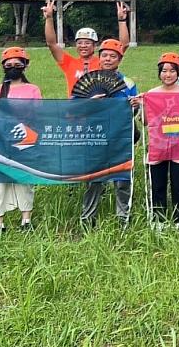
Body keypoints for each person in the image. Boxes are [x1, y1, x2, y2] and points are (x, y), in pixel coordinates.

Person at [0, 47, 42, 235]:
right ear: (3, 66)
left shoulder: (33, 89)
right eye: (9, 64)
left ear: (25, 66)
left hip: (24, 141)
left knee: (24, 179)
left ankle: (26, 220)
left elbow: (39, 113)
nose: (13, 67)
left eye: (18, 64)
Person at [79, 39, 139, 227]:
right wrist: (90, 103)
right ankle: (88, 219)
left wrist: (134, 106)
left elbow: (134, 112)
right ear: (99, 57)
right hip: (95, 137)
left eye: (113, 56)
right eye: (104, 55)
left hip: (120, 137)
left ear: (119, 59)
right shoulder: (88, 80)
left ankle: (123, 219)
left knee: (122, 179)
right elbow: (74, 109)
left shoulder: (128, 82)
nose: (108, 59)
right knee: (94, 179)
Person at [41, 0, 130, 96]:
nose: (83, 46)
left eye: (87, 43)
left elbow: (123, 45)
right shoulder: (69, 63)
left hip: (99, 106)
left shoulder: (103, 62)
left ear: (95, 45)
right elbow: (51, 44)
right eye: (79, 43)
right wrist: (49, 18)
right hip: (76, 107)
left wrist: (122, 20)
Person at [145, 52, 179, 232]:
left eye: (172, 70)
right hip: (157, 144)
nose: (168, 74)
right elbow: (146, 121)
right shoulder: (151, 94)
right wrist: (140, 105)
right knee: (158, 184)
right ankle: (158, 219)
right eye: (164, 71)